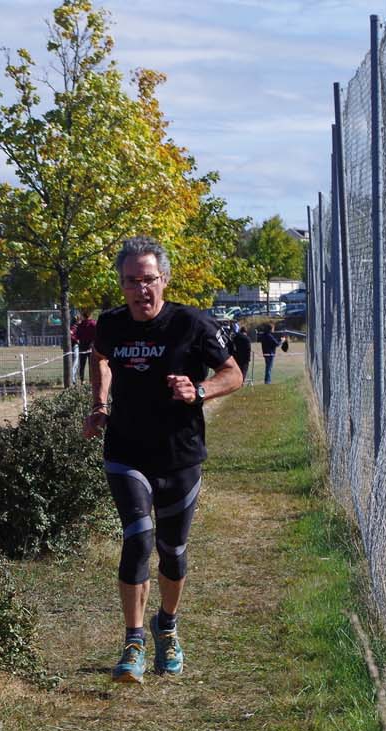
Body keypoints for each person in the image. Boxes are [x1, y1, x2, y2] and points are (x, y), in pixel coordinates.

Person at [82, 237, 244, 683]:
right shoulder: (112, 325)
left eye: (148, 280)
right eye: (131, 281)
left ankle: (166, 627)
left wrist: (200, 391)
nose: (141, 290)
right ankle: (133, 641)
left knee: (172, 552)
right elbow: (100, 359)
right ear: (122, 285)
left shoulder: (190, 324)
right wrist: (99, 405)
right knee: (138, 538)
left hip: (179, 455)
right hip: (126, 451)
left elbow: (234, 374)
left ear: (164, 280)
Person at [228, 321, 254, 387]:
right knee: (244, 371)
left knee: (237, 370)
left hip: (237, 356)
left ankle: (236, 382)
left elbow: (233, 346)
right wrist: (248, 358)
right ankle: (241, 383)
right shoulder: (247, 339)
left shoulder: (236, 337)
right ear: (246, 332)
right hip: (245, 357)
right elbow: (248, 349)